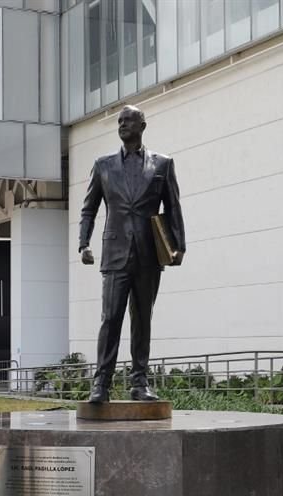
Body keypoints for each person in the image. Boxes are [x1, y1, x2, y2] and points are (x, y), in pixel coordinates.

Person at [79, 104, 186, 403]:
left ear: (143, 126)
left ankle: (140, 383)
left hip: (149, 254)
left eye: (129, 120)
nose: (123, 124)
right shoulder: (103, 165)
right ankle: (101, 384)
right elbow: (89, 208)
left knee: (142, 320)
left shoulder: (163, 164)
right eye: (120, 121)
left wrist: (179, 245)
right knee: (110, 318)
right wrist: (83, 243)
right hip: (114, 254)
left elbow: (173, 206)